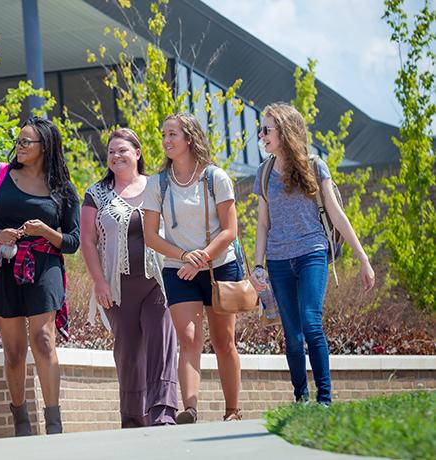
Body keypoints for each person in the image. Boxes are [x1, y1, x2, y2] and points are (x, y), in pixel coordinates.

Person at [251, 102, 375, 405]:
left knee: (311, 322)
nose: (261, 135)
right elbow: (263, 223)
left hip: (312, 253)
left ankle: (325, 399)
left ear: (284, 131)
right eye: (260, 130)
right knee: (292, 335)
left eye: (266, 129)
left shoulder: (315, 166)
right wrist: (257, 265)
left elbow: (337, 214)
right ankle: (301, 398)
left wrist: (363, 258)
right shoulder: (264, 173)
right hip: (278, 260)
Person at [0, 116, 80, 436]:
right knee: (14, 351)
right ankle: (21, 422)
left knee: (43, 340)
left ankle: (54, 423)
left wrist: (46, 231)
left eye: (25, 142)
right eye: (17, 141)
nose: (18, 146)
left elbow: (72, 241)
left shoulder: (63, 189)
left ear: (44, 146)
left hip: (45, 266)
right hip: (4, 266)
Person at [141, 113, 243, 423]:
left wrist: (201, 259)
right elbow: (150, 236)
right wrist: (186, 256)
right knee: (188, 339)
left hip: (220, 268)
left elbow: (230, 230)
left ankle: (232, 410)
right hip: (178, 269)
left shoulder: (215, 177)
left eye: (172, 134)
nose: (166, 140)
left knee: (224, 341)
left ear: (189, 138)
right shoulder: (157, 183)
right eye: (164, 135)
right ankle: (191, 409)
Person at [80, 128, 179, 427]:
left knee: (161, 342)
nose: (115, 156)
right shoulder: (96, 193)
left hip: (158, 282)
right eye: (111, 152)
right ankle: (134, 418)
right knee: (129, 353)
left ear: (137, 153)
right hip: (117, 288)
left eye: (122, 150)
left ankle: (163, 413)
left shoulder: (158, 186)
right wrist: (99, 282)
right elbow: (87, 241)